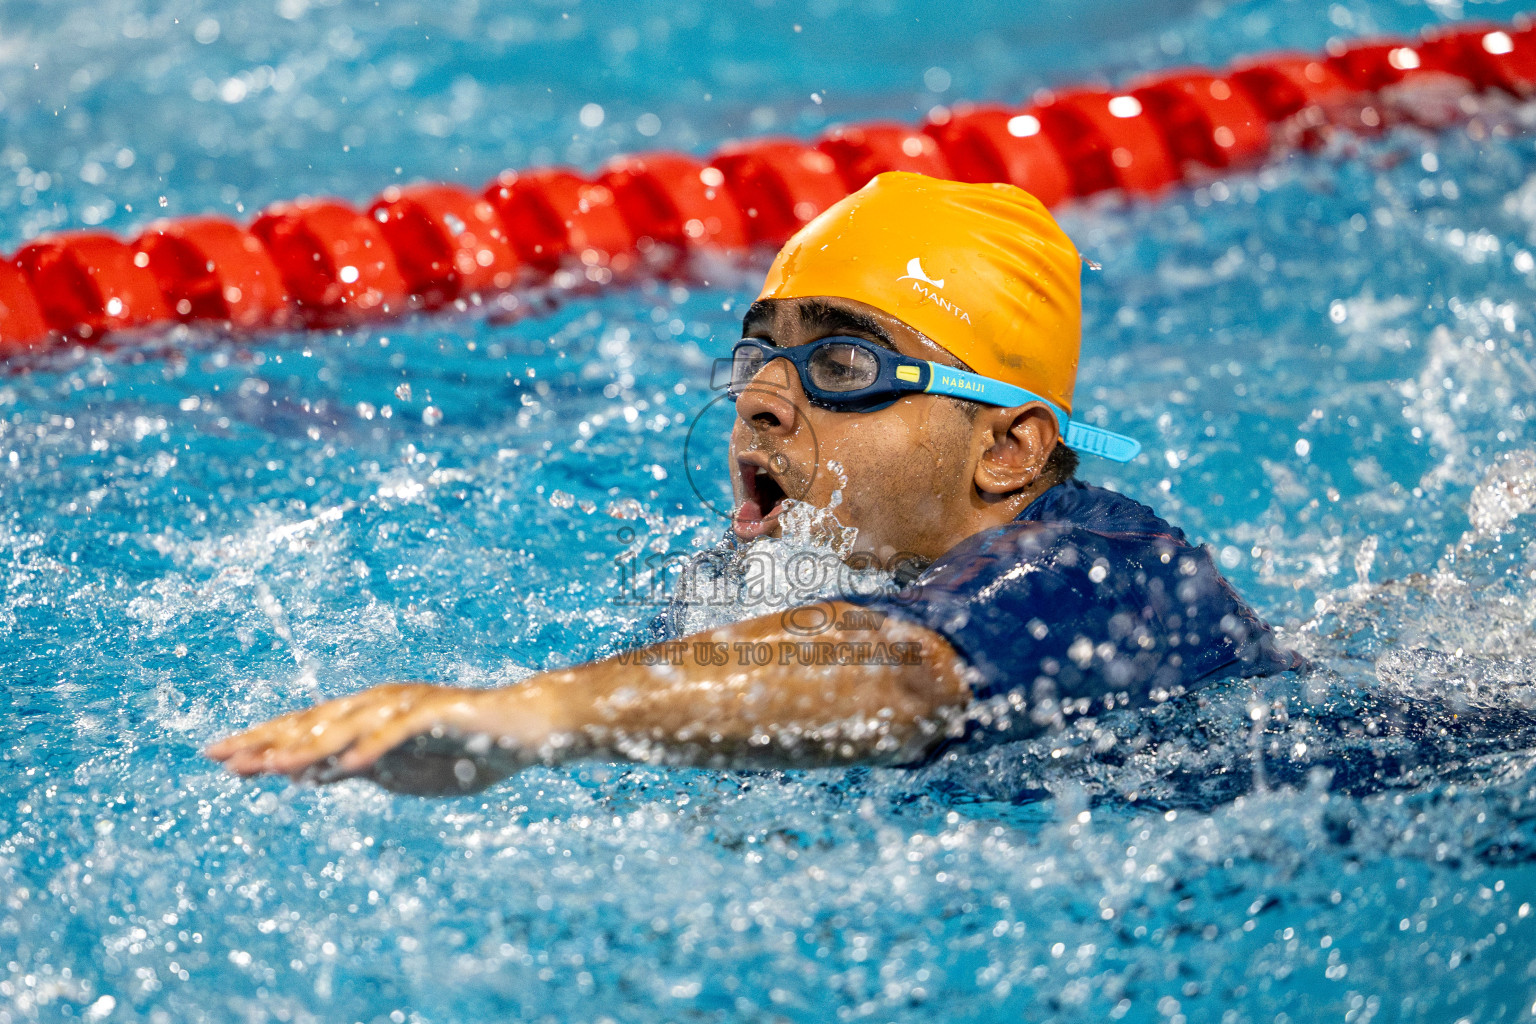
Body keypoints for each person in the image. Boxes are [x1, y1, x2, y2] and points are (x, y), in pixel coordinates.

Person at [206, 172, 1297, 792]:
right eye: (760, 354)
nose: (767, 400)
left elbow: (899, 674)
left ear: (1006, 450)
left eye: (844, 366)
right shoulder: (743, 585)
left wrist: (530, 713)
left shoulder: (1106, 569)